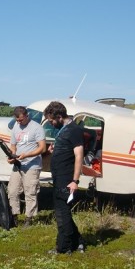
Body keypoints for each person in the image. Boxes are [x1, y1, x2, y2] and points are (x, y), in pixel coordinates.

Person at [43, 101, 85, 254]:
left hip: (66, 178)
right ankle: (78, 242)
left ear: (59, 116)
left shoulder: (74, 130)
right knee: (63, 211)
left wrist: (75, 181)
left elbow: (79, 156)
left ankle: (64, 247)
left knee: (61, 213)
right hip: (59, 176)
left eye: (52, 120)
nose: (51, 123)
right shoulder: (64, 129)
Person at [6, 106, 46, 226]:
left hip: (32, 165)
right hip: (18, 164)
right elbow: (13, 145)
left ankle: (29, 218)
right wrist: (12, 157)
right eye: (17, 120)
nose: (19, 122)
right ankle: (14, 216)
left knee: (30, 191)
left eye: (21, 120)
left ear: (27, 116)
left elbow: (42, 148)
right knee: (12, 191)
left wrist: (27, 155)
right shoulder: (15, 127)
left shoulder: (37, 128)